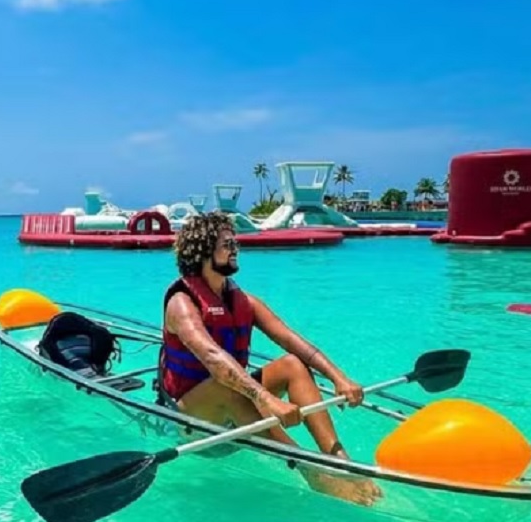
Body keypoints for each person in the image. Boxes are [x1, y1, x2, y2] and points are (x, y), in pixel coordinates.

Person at [158, 211, 383, 506]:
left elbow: (292, 341)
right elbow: (213, 358)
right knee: (225, 381)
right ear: (203, 253)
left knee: (292, 363)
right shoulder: (182, 303)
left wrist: (338, 377)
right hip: (192, 422)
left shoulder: (244, 301)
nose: (235, 249)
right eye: (227, 245)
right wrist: (266, 398)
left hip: (237, 414)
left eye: (234, 243)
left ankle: (343, 464)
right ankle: (311, 472)